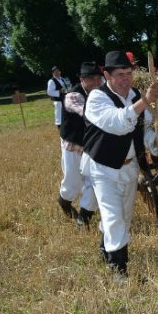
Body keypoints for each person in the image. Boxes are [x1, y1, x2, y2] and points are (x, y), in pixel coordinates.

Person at [82, 51, 158, 279]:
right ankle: (119, 272)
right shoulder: (97, 98)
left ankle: (105, 247)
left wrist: (156, 143)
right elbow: (118, 123)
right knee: (113, 216)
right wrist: (145, 101)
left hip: (129, 166)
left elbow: (142, 130)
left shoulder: (134, 94)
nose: (126, 79)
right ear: (106, 75)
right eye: (120, 75)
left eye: (129, 73)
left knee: (123, 217)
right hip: (103, 167)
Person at [57, 61, 102, 229]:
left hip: (92, 147)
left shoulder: (100, 92)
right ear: (82, 79)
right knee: (73, 183)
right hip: (73, 147)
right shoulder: (72, 96)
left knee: (95, 182)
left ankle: (83, 217)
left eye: (98, 78)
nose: (96, 82)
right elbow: (87, 113)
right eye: (91, 79)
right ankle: (64, 202)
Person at [47, 66, 71, 132]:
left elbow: (67, 87)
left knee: (66, 114)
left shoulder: (63, 79)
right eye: (55, 71)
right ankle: (60, 129)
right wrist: (59, 92)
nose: (57, 72)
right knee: (59, 116)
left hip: (65, 100)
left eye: (58, 71)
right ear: (52, 73)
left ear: (60, 72)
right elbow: (49, 92)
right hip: (58, 101)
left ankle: (67, 128)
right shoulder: (51, 81)